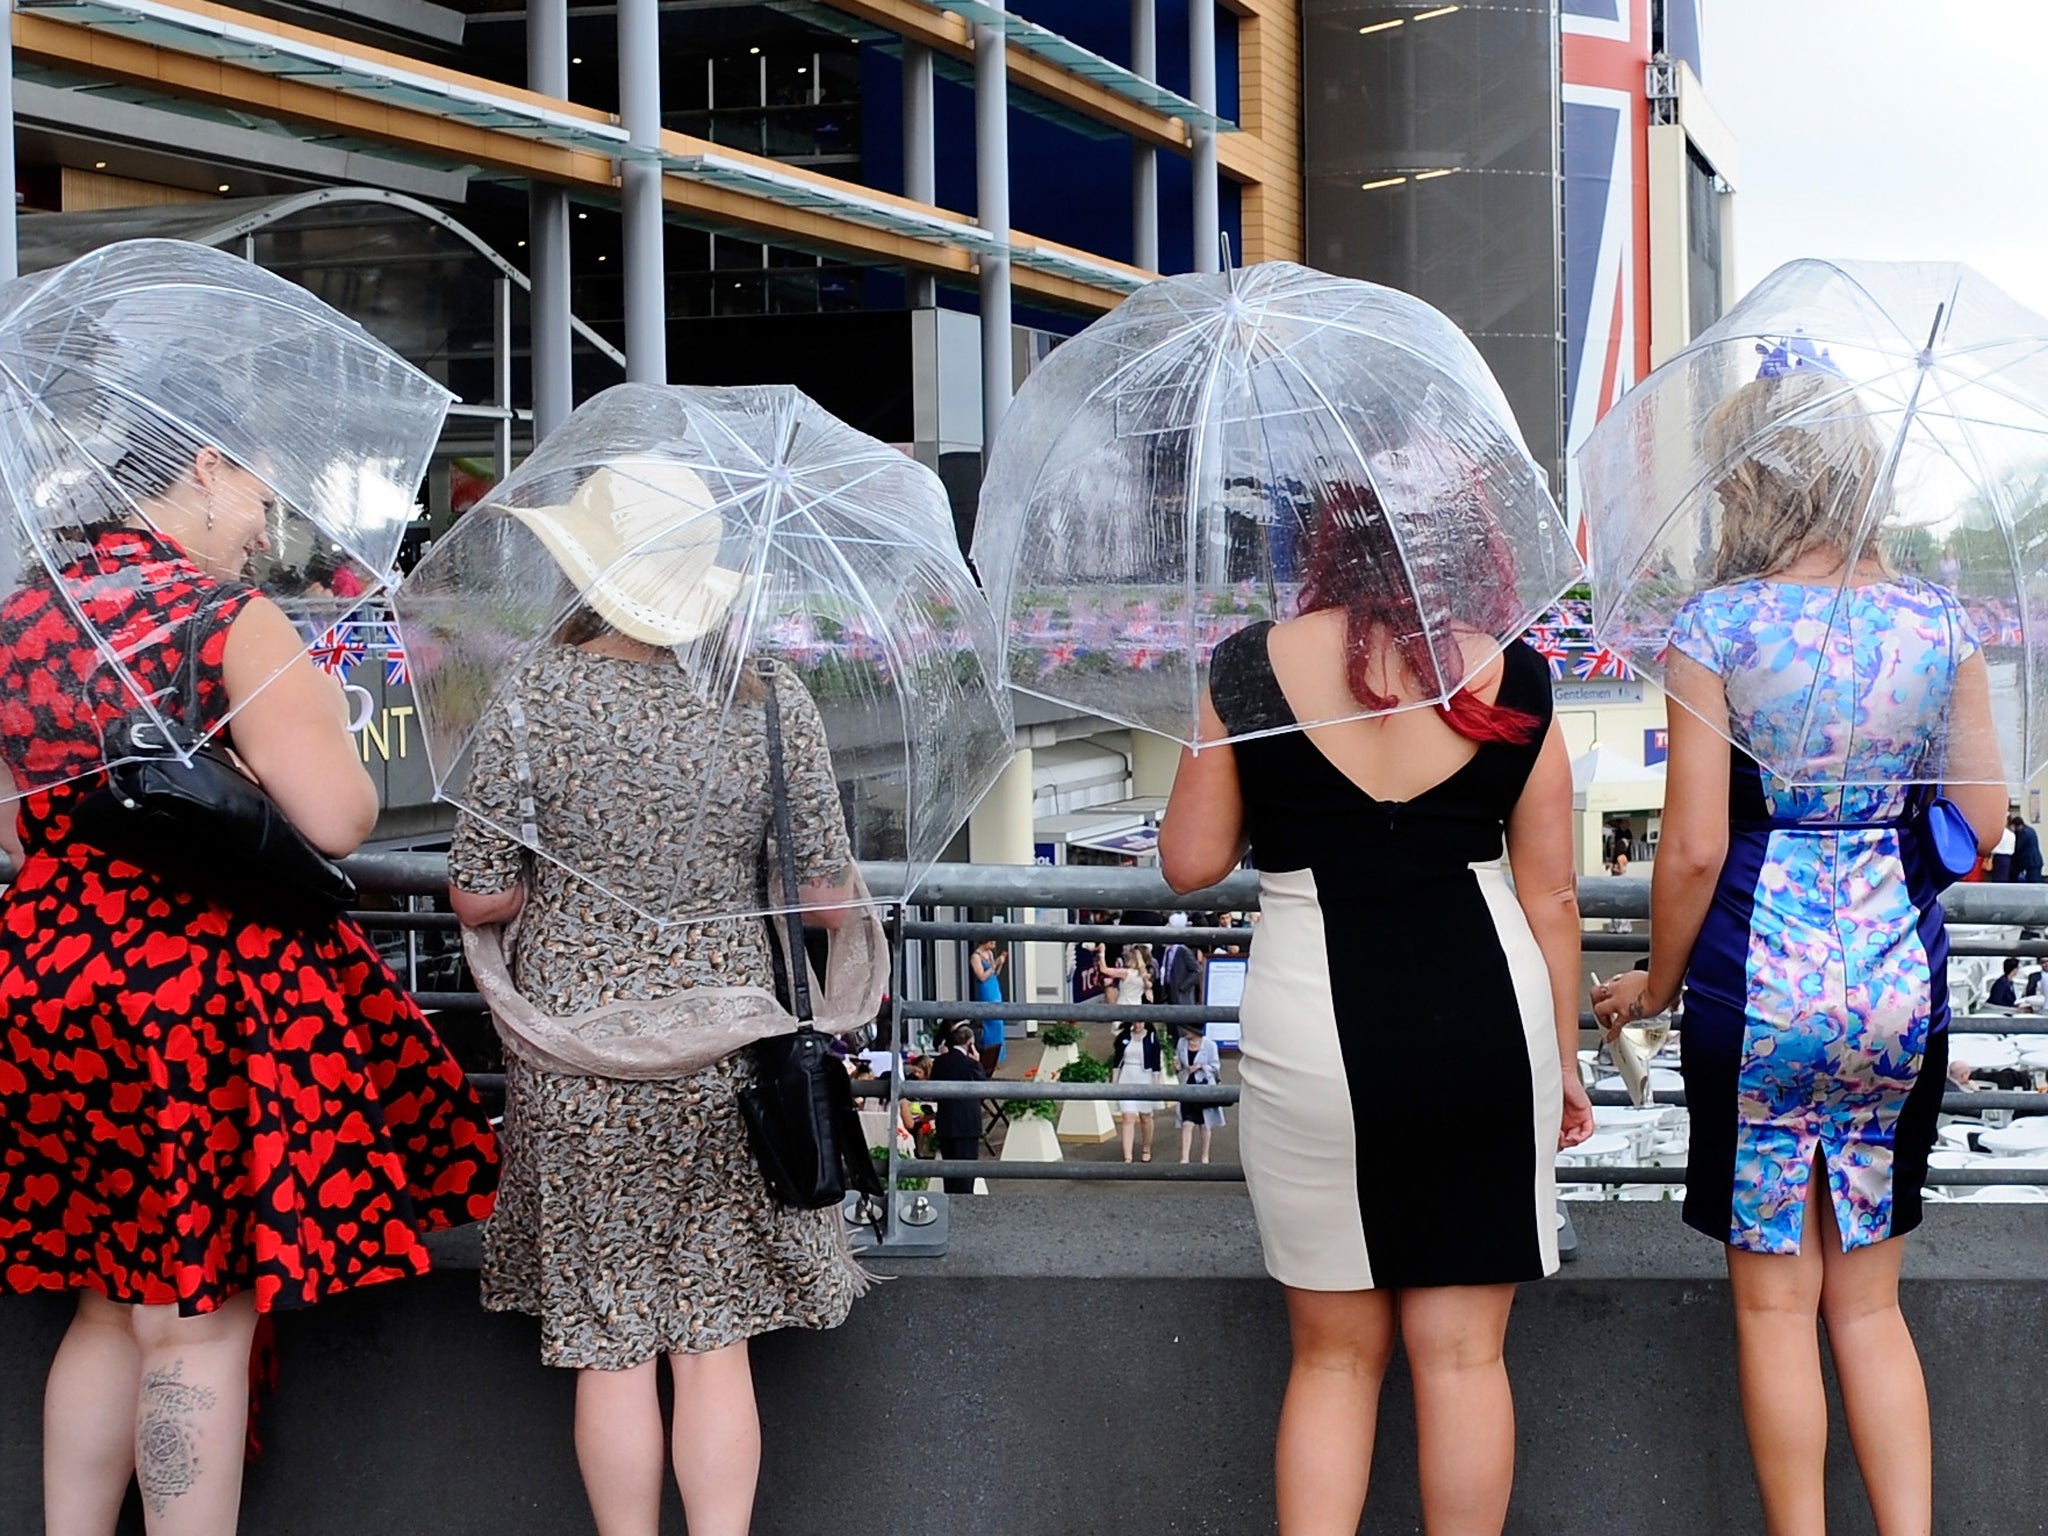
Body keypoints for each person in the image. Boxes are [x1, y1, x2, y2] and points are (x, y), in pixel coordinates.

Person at [0, 426, 498, 1534]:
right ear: (205, 468)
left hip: (53, 982)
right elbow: (339, 817)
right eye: (259, 498)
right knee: (193, 1322)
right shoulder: (224, 620)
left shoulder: (26, 617)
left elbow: (22, 832)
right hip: (191, 1000)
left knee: (104, 1304)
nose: (267, 531)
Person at [1593, 370, 2005, 1536]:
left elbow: (1689, 848)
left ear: (1747, 482)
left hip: (1753, 990)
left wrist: (1656, 985)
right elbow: (1977, 821)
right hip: (1895, 987)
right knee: (1869, 1308)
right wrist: (1879, 856)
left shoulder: (1716, 626)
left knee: (1777, 1312)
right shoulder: (1938, 623)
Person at [1159, 474, 1591, 1536]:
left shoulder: (1246, 667)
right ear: (1469, 550)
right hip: (1487, 1025)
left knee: (1332, 1362)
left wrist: (1224, 738)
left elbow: (1188, 860)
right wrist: (1564, 1059)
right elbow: (1552, 895)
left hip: (1312, 1026)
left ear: (1328, 547)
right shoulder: (1515, 673)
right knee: (1462, 1358)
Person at [448, 464, 870, 1536]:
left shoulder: (536, 693)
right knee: (713, 1338)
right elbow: (824, 899)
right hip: (729, 1049)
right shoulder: (768, 694)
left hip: (580, 1056)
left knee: (610, 1342)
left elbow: (481, 886)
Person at [928, 1023, 990, 1195]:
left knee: (949, 1173)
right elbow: (984, 1090)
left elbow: (932, 1090)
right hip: (967, 1123)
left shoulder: (939, 1062)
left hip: (946, 1121)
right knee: (966, 1172)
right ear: (970, 1044)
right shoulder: (971, 1064)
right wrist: (977, 1063)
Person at [1111, 1014, 1164, 1163]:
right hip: (1127, 1076)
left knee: (1145, 1117)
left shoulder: (1152, 1037)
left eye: (1141, 1021)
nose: (1138, 1025)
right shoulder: (1124, 1036)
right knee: (1128, 1117)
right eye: (1136, 1022)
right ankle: (1127, 1156)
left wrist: (1156, 1082)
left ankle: (1146, 1147)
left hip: (1145, 1077)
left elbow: (1155, 1062)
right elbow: (1117, 1060)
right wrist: (1114, 1081)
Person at [1176, 1022, 1226, 1164]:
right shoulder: (1181, 1043)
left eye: (1188, 1029)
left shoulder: (1210, 1045)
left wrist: (1201, 1066)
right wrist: (1177, 1065)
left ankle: (1205, 1155)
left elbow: (1216, 1067)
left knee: (1204, 1125)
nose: (1185, 1032)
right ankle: (1184, 1158)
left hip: (1204, 1087)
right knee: (1187, 1123)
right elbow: (1178, 1062)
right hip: (1187, 1088)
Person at [969, 937, 1008, 1076]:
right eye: (991, 942)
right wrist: (994, 964)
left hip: (994, 985)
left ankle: (997, 1056)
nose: (994, 944)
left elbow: (995, 973)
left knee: (999, 1022)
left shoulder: (990, 954)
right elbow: (981, 976)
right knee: (990, 1022)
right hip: (986, 989)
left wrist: (1000, 963)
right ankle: (988, 1056)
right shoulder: (975, 957)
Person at [2011, 815, 2042, 884]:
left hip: (2031, 862)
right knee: (2035, 881)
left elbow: (2017, 847)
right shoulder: (2030, 830)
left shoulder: (2024, 833)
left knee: (2033, 882)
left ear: (2017, 826)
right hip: (2035, 861)